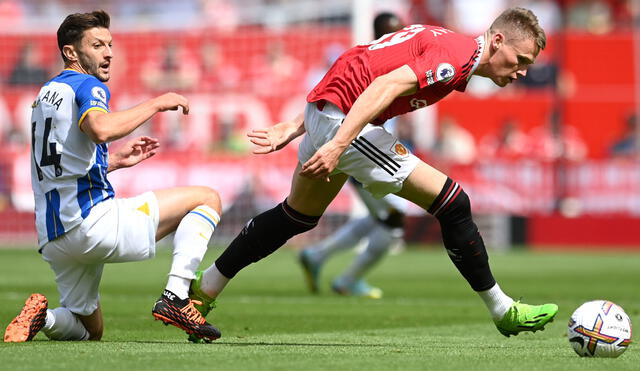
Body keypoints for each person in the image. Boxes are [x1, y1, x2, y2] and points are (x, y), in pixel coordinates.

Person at [193, 7, 559, 338]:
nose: (523, 71)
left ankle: (201, 293)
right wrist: (336, 143)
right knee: (454, 203)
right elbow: (381, 84)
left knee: (296, 217)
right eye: (520, 59)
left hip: (329, 113)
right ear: (497, 41)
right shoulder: (455, 57)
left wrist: (296, 125)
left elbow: (359, 62)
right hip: (345, 125)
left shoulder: (450, 42)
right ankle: (502, 309)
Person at [4, 10, 221, 343]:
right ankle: (176, 296)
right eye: (97, 45)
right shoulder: (87, 84)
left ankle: (43, 317)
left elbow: (56, 164)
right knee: (207, 198)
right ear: (70, 52)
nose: (108, 53)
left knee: (91, 331)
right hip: (91, 223)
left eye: (109, 44)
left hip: (54, 237)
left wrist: (115, 162)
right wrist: (157, 103)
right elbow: (101, 129)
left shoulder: (44, 95)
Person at [298, 12, 407, 299]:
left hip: (372, 150)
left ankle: (317, 255)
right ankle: (348, 278)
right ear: (382, 33)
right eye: (394, 31)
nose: (398, 36)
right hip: (360, 151)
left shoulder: (391, 65)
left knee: (379, 217)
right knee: (393, 219)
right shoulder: (369, 66)